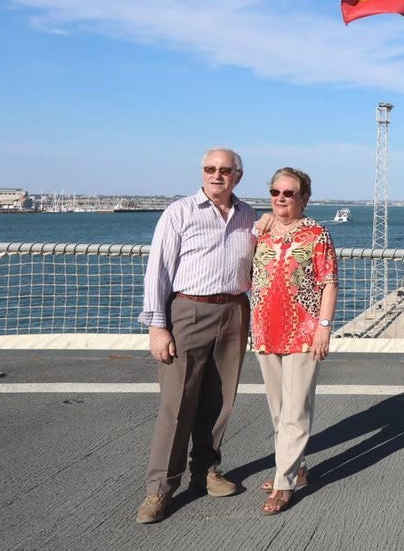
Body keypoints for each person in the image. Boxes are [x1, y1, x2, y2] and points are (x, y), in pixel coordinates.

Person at [136, 148, 257, 524]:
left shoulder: (249, 215)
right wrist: (157, 326)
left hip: (234, 310)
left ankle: (206, 471)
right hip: (188, 310)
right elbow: (158, 270)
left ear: (238, 175)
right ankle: (160, 489)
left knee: (219, 401)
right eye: (209, 168)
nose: (216, 175)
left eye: (225, 170)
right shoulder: (180, 212)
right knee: (177, 404)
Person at [250, 167, 338, 515]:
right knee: (278, 409)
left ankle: (284, 482)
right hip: (265, 330)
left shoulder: (317, 233)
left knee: (296, 409)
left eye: (289, 193)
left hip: (303, 331)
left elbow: (328, 282)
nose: (281, 198)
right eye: (275, 192)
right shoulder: (262, 232)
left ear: (304, 198)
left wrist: (324, 327)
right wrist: (264, 220)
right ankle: (296, 468)